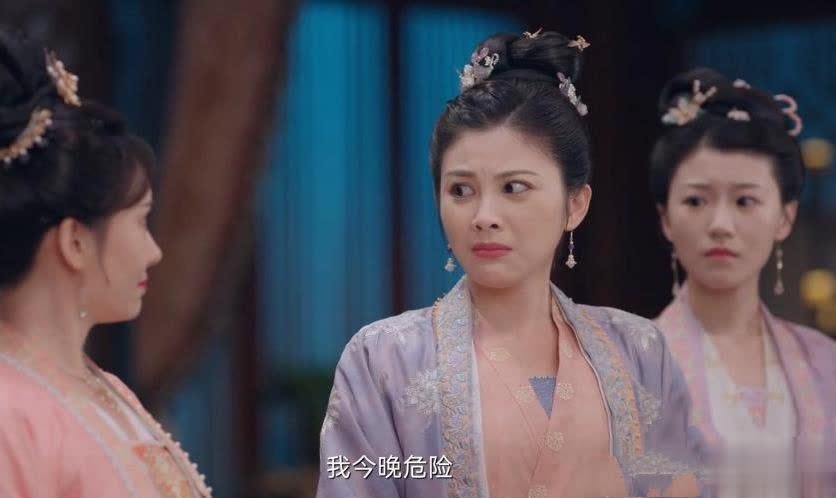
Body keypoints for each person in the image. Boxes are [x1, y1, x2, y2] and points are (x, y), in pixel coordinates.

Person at [317, 30, 704, 498]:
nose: (484, 217)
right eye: (461, 190)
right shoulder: (383, 359)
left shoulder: (640, 351)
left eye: (514, 188)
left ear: (575, 204)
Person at [0, 29, 212, 497]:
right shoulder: (8, 411)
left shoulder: (104, 387)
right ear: (75, 241)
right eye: (141, 221)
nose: (154, 251)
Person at [651, 67, 836, 498]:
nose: (720, 224)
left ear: (785, 216)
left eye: (745, 201)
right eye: (696, 200)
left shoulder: (825, 362)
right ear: (665, 218)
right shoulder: (631, 365)